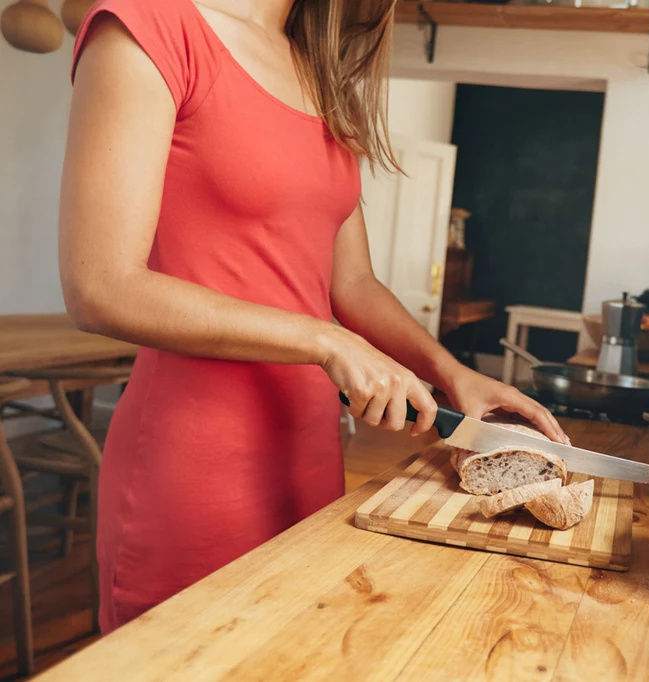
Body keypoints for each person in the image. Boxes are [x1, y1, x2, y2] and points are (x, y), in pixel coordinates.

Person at [61, 0, 568, 632]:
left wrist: (449, 372)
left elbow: (351, 282)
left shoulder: (317, 68)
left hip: (307, 457)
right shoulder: (148, 26)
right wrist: (324, 341)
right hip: (193, 468)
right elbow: (101, 285)